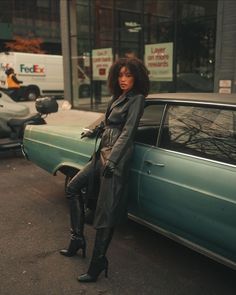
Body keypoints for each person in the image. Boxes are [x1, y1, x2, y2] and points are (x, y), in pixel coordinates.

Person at [60, 57, 150, 283]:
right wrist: (92, 130)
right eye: (120, 75)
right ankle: (77, 238)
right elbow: (107, 121)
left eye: (128, 75)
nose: (123, 79)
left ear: (136, 77)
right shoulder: (118, 97)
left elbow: (128, 133)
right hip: (102, 152)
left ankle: (98, 262)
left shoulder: (137, 99)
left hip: (115, 158)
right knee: (73, 187)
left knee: (105, 211)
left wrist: (113, 162)